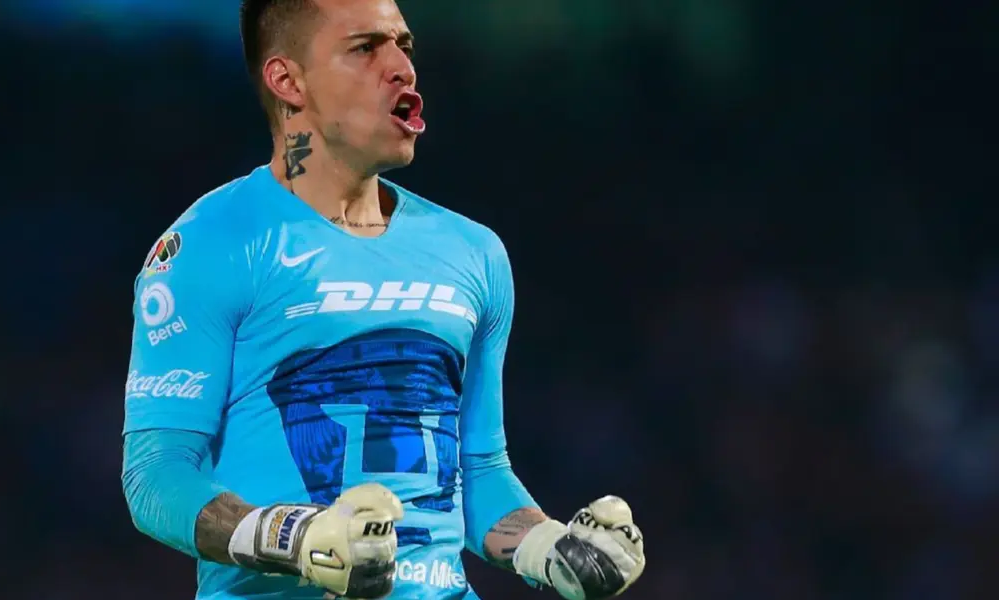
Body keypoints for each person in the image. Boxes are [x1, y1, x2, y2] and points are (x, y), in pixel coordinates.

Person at [120, 0, 646, 598]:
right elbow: (157, 475)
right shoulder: (210, 244)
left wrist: (550, 548)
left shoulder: (473, 252)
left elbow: (479, 471)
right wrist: (295, 538)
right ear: (288, 81)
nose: (402, 67)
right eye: (365, 48)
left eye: (404, 46)